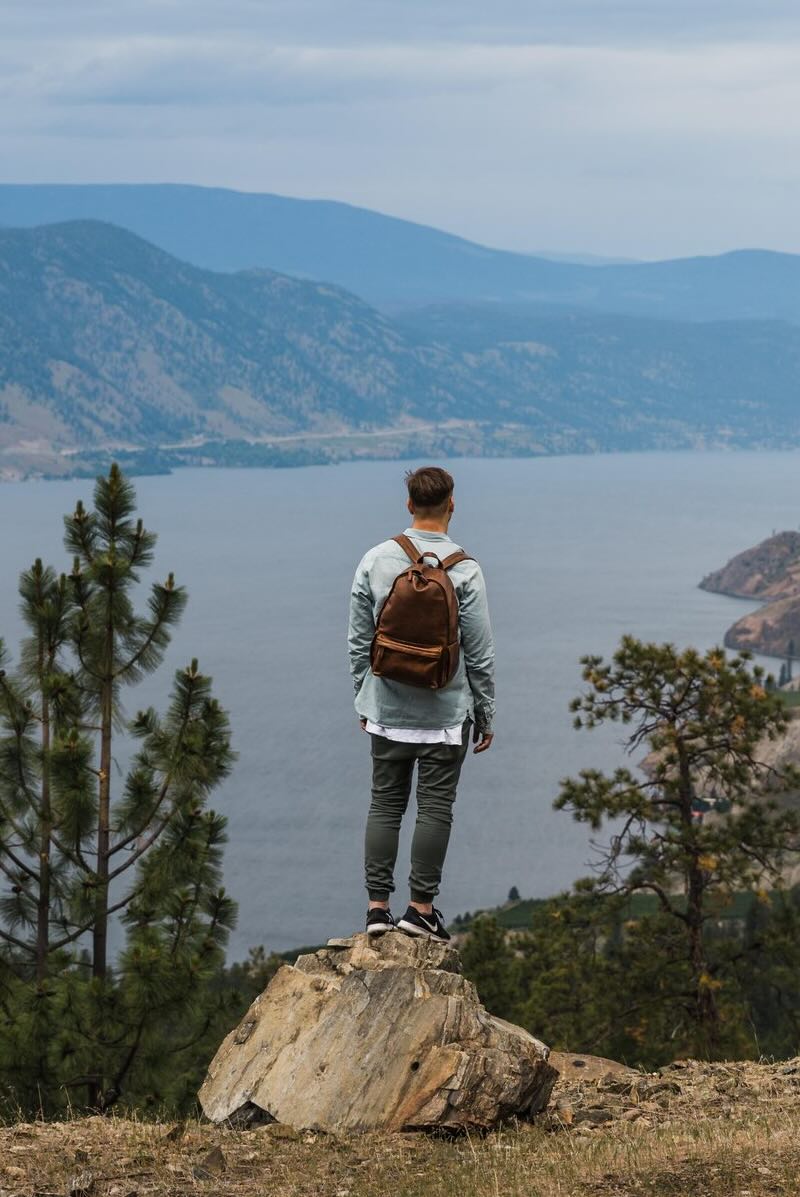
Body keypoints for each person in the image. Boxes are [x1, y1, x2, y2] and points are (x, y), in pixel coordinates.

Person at [347, 465, 495, 942]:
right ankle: (420, 910)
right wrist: (486, 712)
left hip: (387, 714)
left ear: (409, 505)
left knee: (385, 805)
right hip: (447, 716)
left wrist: (363, 698)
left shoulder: (375, 559)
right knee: (435, 809)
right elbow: (480, 652)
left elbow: (358, 642)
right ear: (452, 504)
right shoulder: (465, 569)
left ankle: (376, 909)